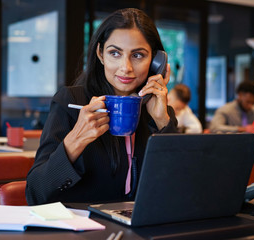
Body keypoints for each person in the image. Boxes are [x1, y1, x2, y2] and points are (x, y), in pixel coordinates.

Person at [26, 8, 178, 205]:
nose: (126, 67)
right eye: (115, 53)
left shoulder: (159, 111)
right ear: (100, 54)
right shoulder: (71, 102)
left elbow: (181, 188)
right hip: (82, 230)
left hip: (139, 229)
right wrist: (76, 139)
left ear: (156, 61)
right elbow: (35, 193)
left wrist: (162, 122)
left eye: (138, 55)